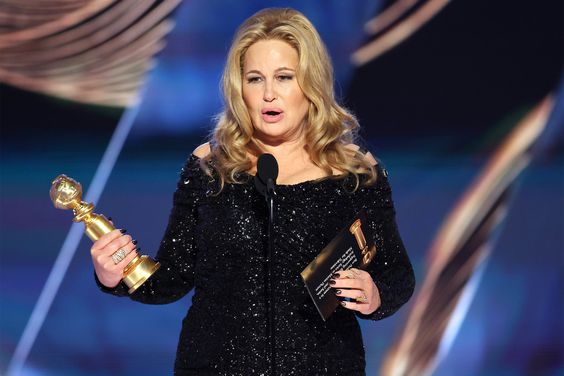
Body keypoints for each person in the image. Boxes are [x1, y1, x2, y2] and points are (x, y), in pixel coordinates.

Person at [90, 7, 415, 375]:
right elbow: (172, 278)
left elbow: (397, 275)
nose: (269, 95)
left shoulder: (356, 173)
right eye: (255, 79)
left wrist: (374, 296)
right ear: (238, 86)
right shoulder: (210, 168)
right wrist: (115, 275)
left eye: (285, 77)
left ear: (311, 83)